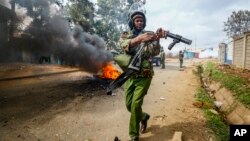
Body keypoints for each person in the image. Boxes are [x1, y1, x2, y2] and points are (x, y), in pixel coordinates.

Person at [118, 5, 167, 141]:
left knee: (135, 104)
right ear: (132, 22)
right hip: (130, 75)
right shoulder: (126, 35)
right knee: (129, 105)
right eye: (137, 20)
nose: (139, 22)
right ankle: (144, 117)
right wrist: (139, 39)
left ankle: (134, 135)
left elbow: (155, 52)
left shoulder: (150, 34)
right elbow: (123, 45)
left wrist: (157, 39)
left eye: (141, 20)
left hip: (144, 75)